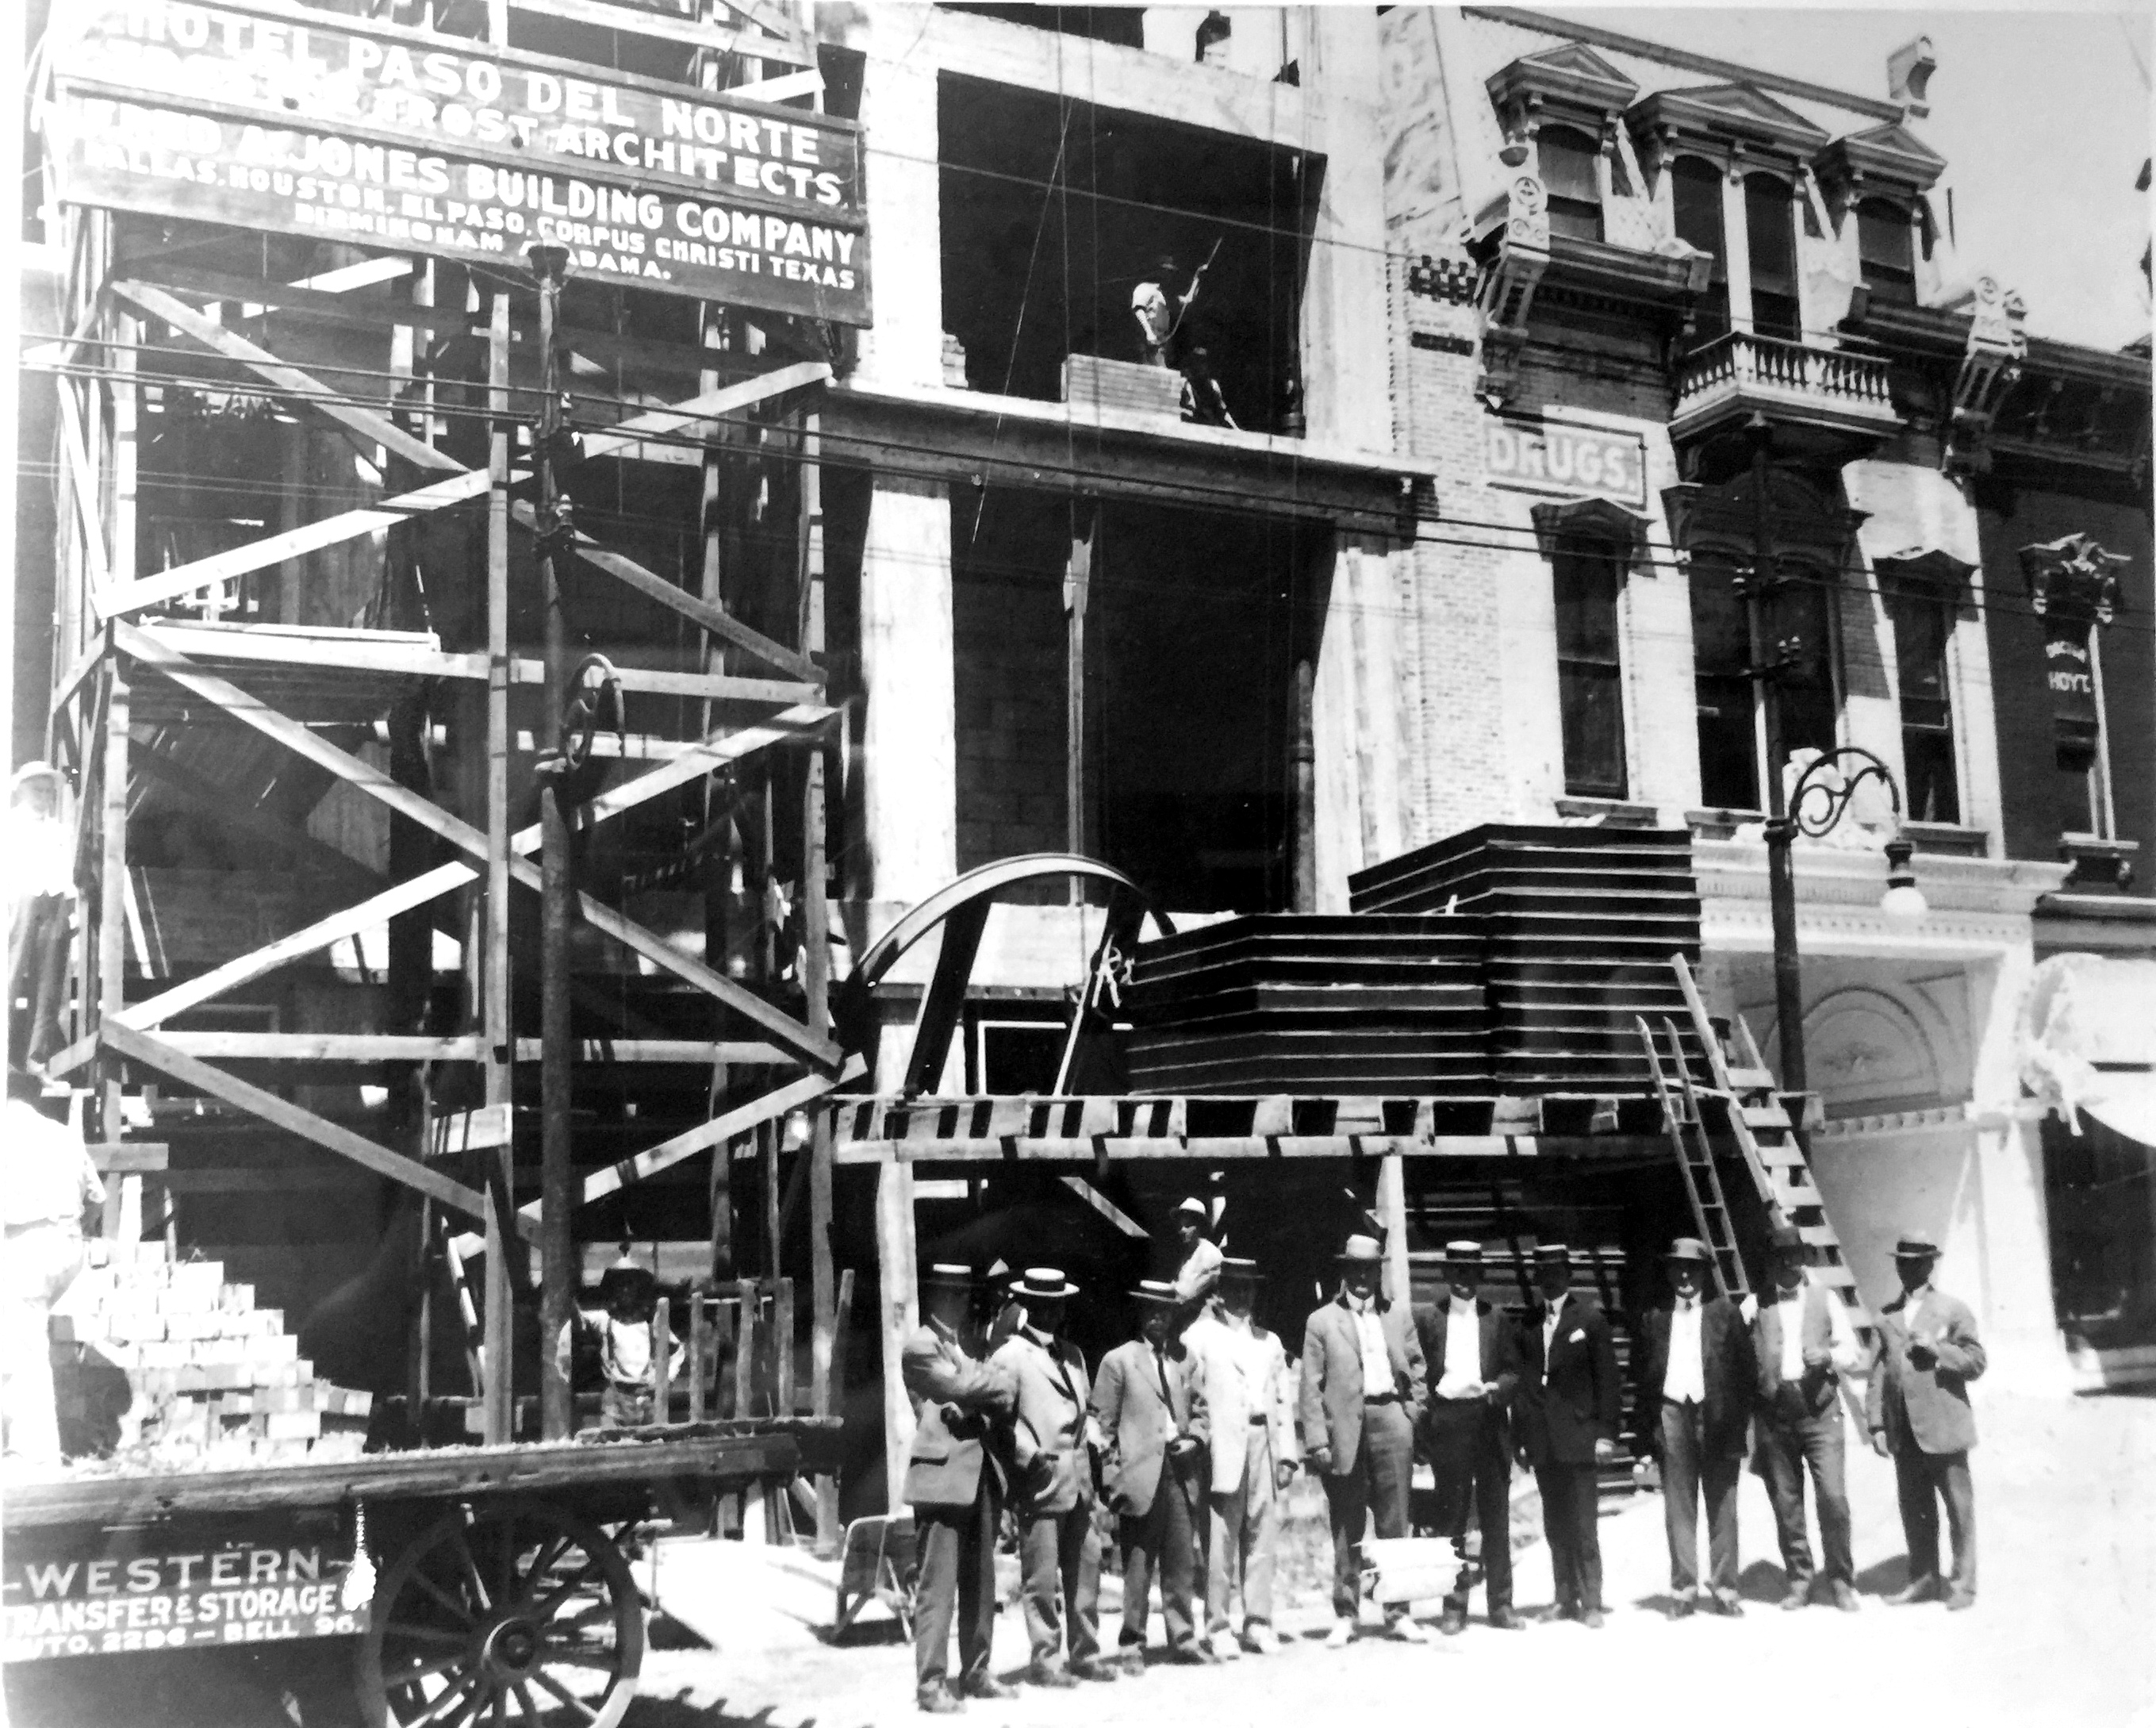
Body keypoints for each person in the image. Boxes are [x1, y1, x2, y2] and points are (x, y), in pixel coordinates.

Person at [1298, 1233, 1429, 1647]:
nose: (1361, 1277)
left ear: (1378, 1272)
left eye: (1369, 1269)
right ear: (1344, 1271)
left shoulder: (1397, 1316)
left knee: (1396, 1520)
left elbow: (1418, 1370)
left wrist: (1410, 1415)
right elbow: (1310, 1387)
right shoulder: (1321, 1321)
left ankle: (1398, 1613)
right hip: (1345, 1429)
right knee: (1347, 1523)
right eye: (1354, 1268)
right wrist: (1317, 1440)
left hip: (1391, 1419)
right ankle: (1346, 1613)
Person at [901, 1263, 1019, 1714]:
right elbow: (963, 1383)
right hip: (942, 1477)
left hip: (978, 1473)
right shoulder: (920, 1345)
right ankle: (930, 1685)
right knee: (938, 1586)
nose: (958, 1299)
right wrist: (982, 1388)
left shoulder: (958, 1345)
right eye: (949, 1291)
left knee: (980, 1582)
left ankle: (976, 1672)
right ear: (933, 1295)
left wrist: (977, 1395)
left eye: (961, 1291)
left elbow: (1002, 1392)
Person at [991, 1269, 1117, 1684]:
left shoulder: (1075, 1355)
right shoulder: (1011, 1356)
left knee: (1086, 1570)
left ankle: (1085, 1652)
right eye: (1043, 1303)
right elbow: (998, 1420)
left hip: (1080, 1481)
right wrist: (1029, 1457)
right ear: (1028, 1305)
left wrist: (1095, 1439)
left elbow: (1087, 1414)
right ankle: (1045, 1659)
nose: (1051, 1311)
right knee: (1041, 1579)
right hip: (1041, 1483)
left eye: (1058, 1303)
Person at [1091, 1281, 1210, 1670]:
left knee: (1180, 1558)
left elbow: (1202, 1411)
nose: (1158, 1318)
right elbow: (1101, 1427)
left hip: (1180, 1470)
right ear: (1140, 1314)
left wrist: (1196, 1438)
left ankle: (1183, 1637)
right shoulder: (1118, 1361)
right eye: (1150, 1311)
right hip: (1139, 1475)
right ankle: (1132, 1643)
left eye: (1165, 1311)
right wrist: (1112, 1479)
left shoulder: (1184, 1359)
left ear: (1174, 1315)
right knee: (1138, 1562)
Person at [1866, 1230, 1985, 1611]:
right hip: (1904, 1430)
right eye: (1902, 1262)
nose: (1907, 1269)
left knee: (1958, 1509)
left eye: (1916, 1263)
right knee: (1915, 1510)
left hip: (1945, 1427)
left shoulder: (1952, 1309)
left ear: (1930, 1265)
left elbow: (1977, 1361)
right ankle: (1923, 1579)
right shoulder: (1887, 1316)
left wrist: (1939, 1351)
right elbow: (1878, 1373)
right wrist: (1877, 1424)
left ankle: (1963, 1585)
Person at [1637, 1238, 1756, 1619]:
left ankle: (1724, 1590)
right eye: (1678, 1268)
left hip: (1717, 1415)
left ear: (1705, 1272)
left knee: (1723, 1506)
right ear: (1669, 1272)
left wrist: (1737, 1426)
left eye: (1692, 1268)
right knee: (1679, 1507)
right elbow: (1642, 1380)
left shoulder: (1725, 1313)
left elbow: (1746, 1374)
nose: (1685, 1275)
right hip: (1673, 1412)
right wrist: (1644, 1436)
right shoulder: (1655, 1317)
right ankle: (1684, 1590)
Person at [1187, 1256, 1298, 1658]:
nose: (1242, 1295)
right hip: (1223, 1446)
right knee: (1220, 1537)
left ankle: (1258, 1622)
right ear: (1218, 1292)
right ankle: (1218, 1625)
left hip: (1262, 1440)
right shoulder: (1199, 1337)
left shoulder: (1269, 1341)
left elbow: (1282, 1400)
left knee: (1262, 1535)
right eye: (1234, 1287)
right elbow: (1191, 1396)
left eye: (1248, 1287)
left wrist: (1286, 1455)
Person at [1751, 1221, 1864, 1612]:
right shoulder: (1755, 1305)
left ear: (1802, 1260)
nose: (1786, 1265)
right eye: (1778, 1259)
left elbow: (1854, 1352)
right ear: (1769, 1265)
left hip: (1820, 1412)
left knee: (1833, 1498)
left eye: (1793, 1257)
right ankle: (1799, 1578)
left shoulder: (1825, 1299)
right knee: (1786, 1502)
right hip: (1775, 1417)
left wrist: (1830, 1357)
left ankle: (1840, 1579)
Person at [1413, 1241, 1522, 1635]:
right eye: (1457, 1272)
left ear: (1479, 1277)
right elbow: (1421, 1377)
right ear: (1447, 1276)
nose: (1464, 1281)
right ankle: (1454, 1606)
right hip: (1450, 1420)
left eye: (1471, 1273)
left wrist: (1500, 1389)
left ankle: (1501, 1605)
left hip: (1488, 1418)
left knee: (1496, 1517)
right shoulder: (1430, 1319)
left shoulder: (1496, 1319)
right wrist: (1424, 1429)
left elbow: (1513, 1371)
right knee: (1452, 1517)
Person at [1, 1066, 105, 1465]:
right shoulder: (62, 1134)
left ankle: (34, 1452)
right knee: (18, 1336)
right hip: (67, 1246)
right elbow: (96, 1197)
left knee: (24, 1347)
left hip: (27, 1245)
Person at [1515, 1242, 1619, 1627]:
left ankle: (1591, 1600)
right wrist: (1522, 1438)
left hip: (1579, 1437)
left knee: (1583, 1524)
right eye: (1542, 1273)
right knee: (1555, 1524)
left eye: (1556, 1272)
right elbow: (1526, 1386)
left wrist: (1606, 1434)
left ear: (1568, 1275)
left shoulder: (1590, 1320)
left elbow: (1608, 1382)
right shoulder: (1527, 1324)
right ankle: (1563, 1597)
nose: (1549, 1280)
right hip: (1543, 1441)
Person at [555, 1256, 683, 1430]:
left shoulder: (651, 1324)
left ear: (639, 1288)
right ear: (613, 1289)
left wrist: (666, 1379)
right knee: (613, 1443)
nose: (626, 1290)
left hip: (648, 1397)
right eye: (621, 1285)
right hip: (616, 1397)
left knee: (654, 1440)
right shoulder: (604, 1320)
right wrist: (570, 1298)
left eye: (631, 1285)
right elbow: (578, 1324)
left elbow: (677, 1351)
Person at [1131, 255, 1199, 369]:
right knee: (1148, 368)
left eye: (1170, 272)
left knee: (1160, 368)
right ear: (1158, 271)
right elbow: (1139, 310)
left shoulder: (1165, 295)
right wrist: (1149, 333)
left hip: (1160, 341)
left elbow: (1188, 301)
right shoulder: (1145, 288)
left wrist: (1197, 280)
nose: (1168, 275)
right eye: (1166, 271)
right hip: (1148, 341)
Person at [1170, 1196, 1223, 1308]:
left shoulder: (1211, 1255)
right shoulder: (1185, 1253)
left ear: (1200, 1226)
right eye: (1181, 1226)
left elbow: (1188, 1293)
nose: (1183, 1230)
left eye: (1188, 1226)